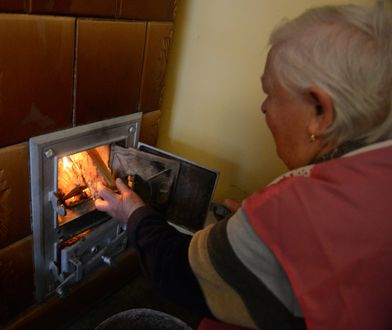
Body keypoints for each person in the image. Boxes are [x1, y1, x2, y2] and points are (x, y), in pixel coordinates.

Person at [95, 4, 392, 330]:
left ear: (320, 110)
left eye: (270, 93)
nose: (264, 107)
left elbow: (178, 274)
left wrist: (133, 213)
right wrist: (253, 237)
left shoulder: (299, 210)